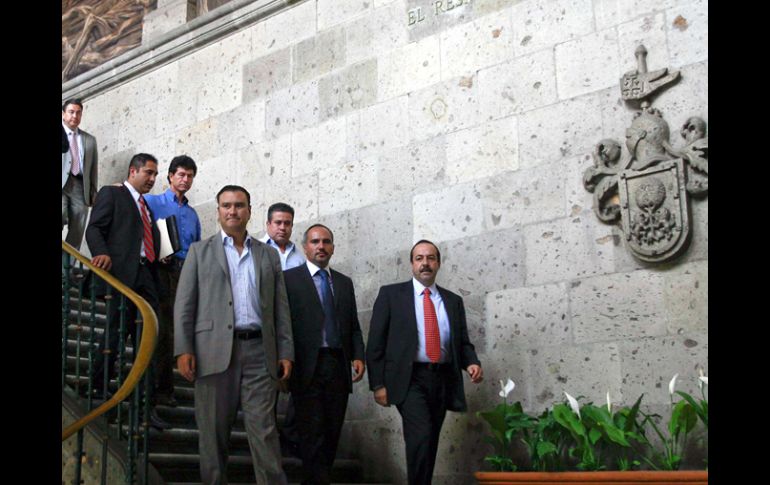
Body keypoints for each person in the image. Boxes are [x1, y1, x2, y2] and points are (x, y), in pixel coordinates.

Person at [174, 185, 294, 485]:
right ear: (218, 211)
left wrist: (286, 351)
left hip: (259, 353)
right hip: (212, 354)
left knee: (265, 432)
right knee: (213, 435)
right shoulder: (200, 252)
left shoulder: (267, 255)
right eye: (226, 205)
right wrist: (183, 349)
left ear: (249, 211)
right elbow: (185, 304)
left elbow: (280, 308)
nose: (232, 211)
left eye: (239, 205)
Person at [366, 240, 484, 485]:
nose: (425, 263)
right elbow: (376, 343)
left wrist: (471, 362)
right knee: (420, 436)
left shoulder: (452, 301)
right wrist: (378, 384)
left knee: (429, 441)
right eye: (419, 258)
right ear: (412, 264)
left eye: (430, 258)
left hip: (442, 378)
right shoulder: (391, 295)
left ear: (438, 263)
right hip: (410, 380)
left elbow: (462, 342)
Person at [84, 153, 170, 431]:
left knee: (151, 339)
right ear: (133, 171)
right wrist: (102, 254)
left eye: (156, 174)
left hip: (148, 275)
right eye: (149, 173)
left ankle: (145, 406)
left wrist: (161, 252)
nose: (153, 179)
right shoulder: (113, 194)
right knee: (116, 332)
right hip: (123, 276)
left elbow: (144, 237)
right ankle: (97, 386)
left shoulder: (145, 205)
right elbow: (95, 227)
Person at [283, 224, 365, 484]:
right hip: (306, 366)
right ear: (305, 247)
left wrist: (358, 355)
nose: (321, 246)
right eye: (315, 242)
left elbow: (352, 324)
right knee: (312, 431)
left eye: (326, 242)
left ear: (333, 247)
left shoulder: (343, 282)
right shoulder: (289, 279)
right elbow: (283, 323)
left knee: (331, 430)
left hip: (337, 365)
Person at [144, 155, 202, 407]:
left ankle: (165, 387)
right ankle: (161, 390)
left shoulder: (193, 215)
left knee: (179, 329)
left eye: (189, 176)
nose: (185, 179)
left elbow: (196, 248)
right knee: (163, 330)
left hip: (185, 272)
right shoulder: (152, 201)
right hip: (158, 270)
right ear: (169, 176)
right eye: (181, 174)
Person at [62, 99, 98, 251]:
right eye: (71, 112)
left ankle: (66, 267)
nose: (74, 116)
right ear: (63, 114)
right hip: (62, 182)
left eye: (78, 113)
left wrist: (93, 192)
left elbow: (93, 169)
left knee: (79, 223)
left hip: (80, 185)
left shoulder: (89, 140)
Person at [259, 202, 305, 270]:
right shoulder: (255, 249)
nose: (282, 228)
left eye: (287, 223)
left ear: (291, 226)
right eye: (278, 222)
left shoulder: (299, 256)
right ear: (268, 224)